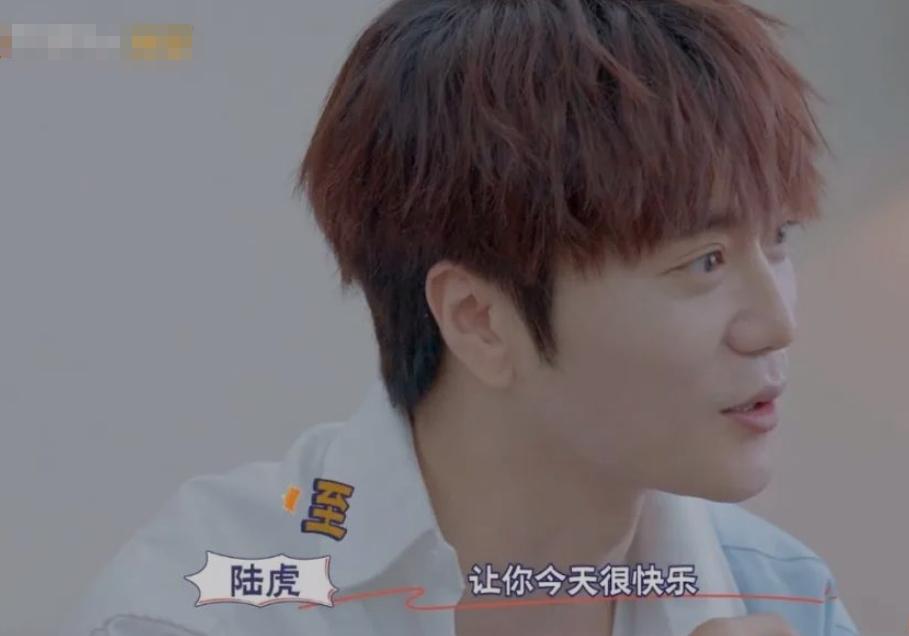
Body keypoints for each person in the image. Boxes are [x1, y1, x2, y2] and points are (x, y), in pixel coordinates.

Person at [58, 0, 862, 634]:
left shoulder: (785, 593)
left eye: (779, 239)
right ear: (479, 320)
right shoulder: (202, 609)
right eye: (705, 261)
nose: (776, 324)